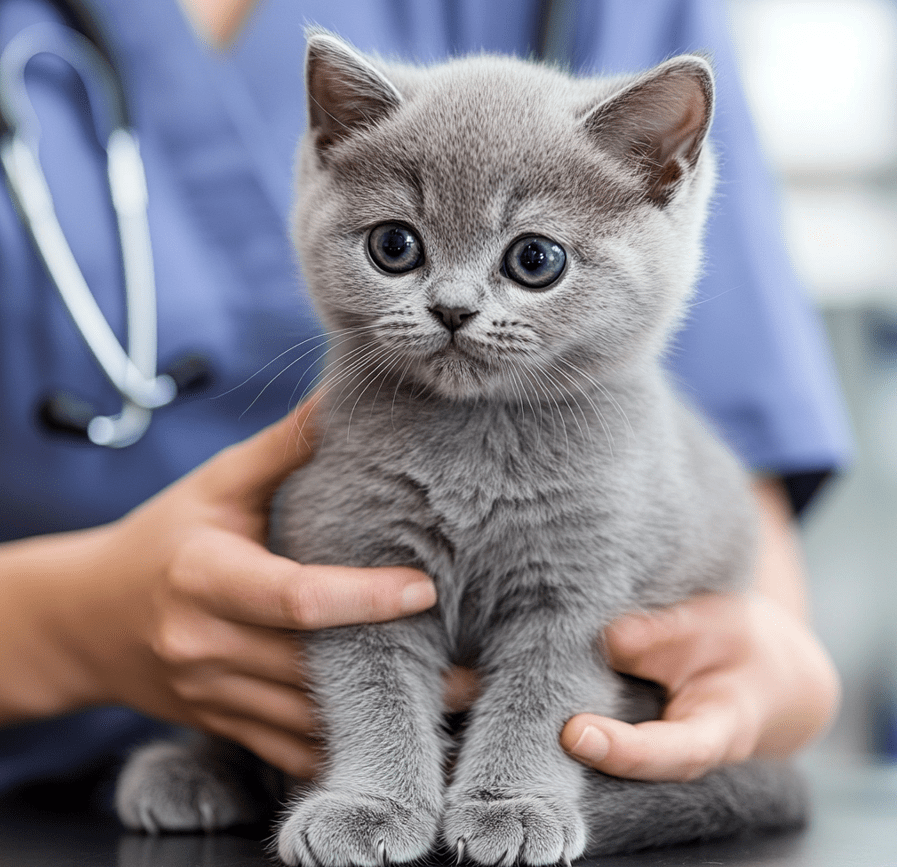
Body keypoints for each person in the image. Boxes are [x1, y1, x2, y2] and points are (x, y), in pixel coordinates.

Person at [0, 0, 848, 798]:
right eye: (399, 246)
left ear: (663, 175)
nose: (453, 303)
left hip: (580, 762)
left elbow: (752, 599)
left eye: (532, 261)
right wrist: (64, 625)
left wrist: (775, 680)